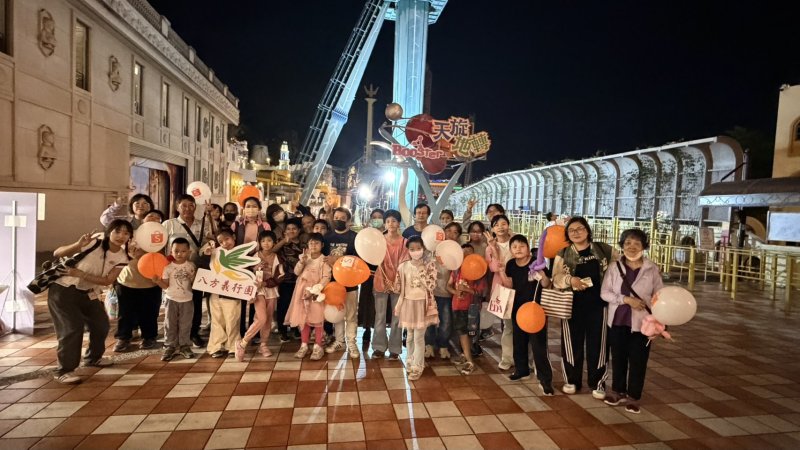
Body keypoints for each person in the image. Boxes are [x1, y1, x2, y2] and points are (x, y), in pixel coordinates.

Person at [49, 220, 132, 384]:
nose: (121, 236)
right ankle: (64, 370)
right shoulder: (93, 243)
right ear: (109, 232)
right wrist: (78, 244)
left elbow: (107, 280)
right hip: (64, 289)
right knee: (72, 328)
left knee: (101, 324)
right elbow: (57, 253)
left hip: (88, 292)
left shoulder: (122, 257)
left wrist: (81, 274)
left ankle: (93, 358)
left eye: (126, 233)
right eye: (117, 231)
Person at [552, 217, 615, 399]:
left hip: (599, 305)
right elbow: (555, 278)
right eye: (572, 230)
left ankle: (598, 383)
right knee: (571, 344)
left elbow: (620, 269)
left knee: (599, 345)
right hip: (571, 306)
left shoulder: (604, 250)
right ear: (567, 235)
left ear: (587, 230)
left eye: (580, 229)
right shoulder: (563, 253)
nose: (576, 233)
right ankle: (572, 380)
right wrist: (570, 280)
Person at [600, 228, 663, 414]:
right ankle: (617, 391)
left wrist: (659, 324)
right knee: (618, 358)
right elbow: (605, 293)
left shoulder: (651, 269)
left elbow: (660, 297)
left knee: (638, 360)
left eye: (637, 243)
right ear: (622, 245)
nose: (632, 247)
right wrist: (626, 300)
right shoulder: (614, 267)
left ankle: (634, 396)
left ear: (644, 246)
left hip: (643, 324)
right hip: (618, 321)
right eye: (628, 243)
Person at [502, 235, 554, 394]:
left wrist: (542, 276)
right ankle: (521, 370)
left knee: (538, 345)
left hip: (535, 310)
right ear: (510, 250)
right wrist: (500, 271)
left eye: (521, 246)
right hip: (517, 309)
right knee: (519, 341)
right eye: (514, 246)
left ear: (528, 247)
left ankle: (545, 380)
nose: (518, 249)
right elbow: (509, 284)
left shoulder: (537, 264)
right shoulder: (510, 264)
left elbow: (547, 285)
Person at [163, 194, 213, 348]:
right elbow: (161, 248)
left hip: (197, 270)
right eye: (183, 205)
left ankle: (193, 333)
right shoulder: (168, 225)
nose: (187, 208)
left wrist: (210, 217)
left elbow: (211, 240)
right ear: (177, 207)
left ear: (195, 207)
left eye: (191, 205)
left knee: (196, 302)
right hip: (175, 271)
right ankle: (173, 337)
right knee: (173, 304)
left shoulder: (203, 224)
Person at [114, 210, 165, 352]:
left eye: (157, 218)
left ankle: (149, 337)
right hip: (128, 279)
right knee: (125, 312)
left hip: (152, 281)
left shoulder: (162, 237)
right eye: (150, 216)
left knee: (150, 312)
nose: (153, 219)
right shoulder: (131, 234)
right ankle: (123, 338)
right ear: (143, 219)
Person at [394, 236, 438, 381]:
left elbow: (431, 286)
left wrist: (421, 270)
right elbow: (398, 287)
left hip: (423, 304)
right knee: (410, 335)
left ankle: (418, 366)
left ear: (423, 249)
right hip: (408, 303)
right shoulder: (403, 266)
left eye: (418, 249)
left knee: (419, 337)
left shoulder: (430, 265)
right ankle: (410, 360)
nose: (415, 252)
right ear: (408, 250)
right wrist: (393, 285)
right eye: (412, 249)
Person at [237, 230, 284, 360]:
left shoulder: (277, 257)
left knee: (268, 319)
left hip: (271, 290)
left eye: (269, 241)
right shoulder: (254, 256)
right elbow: (245, 272)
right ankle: (243, 342)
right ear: (259, 243)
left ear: (274, 242)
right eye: (263, 241)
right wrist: (255, 269)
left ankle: (263, 344)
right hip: (257, 291)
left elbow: (280, 276)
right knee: (261, 318)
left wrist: (266, 282)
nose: (266, 243)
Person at [286, 233, 331, 360]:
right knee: (303, 318)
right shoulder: (304, 257)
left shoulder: (324, 260)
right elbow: (296, 272)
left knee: (317, 319)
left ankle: (318, 346)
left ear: (322, 245)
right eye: (311, 243)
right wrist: (301, 262)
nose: (313, 245)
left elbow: (326, 278)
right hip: (301, 292)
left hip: (316, 294)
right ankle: (304, 345)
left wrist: (315, 290)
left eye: (316, 243)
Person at [231, 197, 271, 340]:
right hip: (240, 264)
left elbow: (268, 244)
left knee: (256, 297)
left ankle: (253, 332)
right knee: (241, 297)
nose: (251, 208)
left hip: (257, 265)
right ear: (243, 208)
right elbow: (231, 243)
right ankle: (241, 330)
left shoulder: (265, 226)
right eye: (248, 206)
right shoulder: (237, 225)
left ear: (259, 208)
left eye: (254, 206)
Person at [324, 207, 361, 358]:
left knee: (351, 315)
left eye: (342, 218)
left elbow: (358, 261)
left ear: (348, 220)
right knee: (337, 314)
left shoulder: (354, 237)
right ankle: (340, 341)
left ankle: (351, 342)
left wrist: (338, 260)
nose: (339, 220)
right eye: (336, 217)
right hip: (333, 283)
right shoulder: (327, 237)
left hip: (351, 282)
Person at [371, 209, 407, 360]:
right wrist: (385, 280)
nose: (391, 224)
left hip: (399, 284)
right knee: (380, 316)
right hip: (381, 281)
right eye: (388, 221)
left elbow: (404, 263)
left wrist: (396, 281)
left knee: (397, 317)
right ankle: (379, 347)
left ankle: (395, 349)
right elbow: (376, 260)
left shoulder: (405, 242)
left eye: (394, 221)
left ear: (399, 223)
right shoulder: (379, 240)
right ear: (384, 223)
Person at [154, 238, 197, 361]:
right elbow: (165, 285)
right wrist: (158, 282)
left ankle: (184, 346)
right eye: (176, 251)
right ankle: (170, 345)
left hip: (187, 299)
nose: (179, 254)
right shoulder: (167, 268)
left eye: (183, 251)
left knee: (186, 324)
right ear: (171, 251)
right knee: (170, 323)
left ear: (189, 252)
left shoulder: (191, 266)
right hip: (171, 299)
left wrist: (192, 277)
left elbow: (195, 284)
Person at [202, 229, 243, 359]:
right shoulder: (214, 253)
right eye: (221, 241)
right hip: (215, 292)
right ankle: (216, 346)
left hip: (233, 292)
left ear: (234, 237)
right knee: (216, 319)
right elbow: (203, 268)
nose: (225, 243)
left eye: (227, 239)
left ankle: (233, 346)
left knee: (232, 320)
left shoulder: (241, 253)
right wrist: (206, 255)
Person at [447, 243, 486, 375]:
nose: (466, 255)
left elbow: (481, 293)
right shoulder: (456, 269)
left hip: (472, 308)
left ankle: (470, 361)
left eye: (469, 252)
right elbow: (449, 286)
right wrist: (455, 292)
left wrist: (467, 289)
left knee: (469, 333)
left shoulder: (479, 272)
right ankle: (465, 356)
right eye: (463, 253)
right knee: (462, 332)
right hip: (457, 306)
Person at [425, 223, 460, 359]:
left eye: (455, 232)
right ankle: (429, 344)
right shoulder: (431, 248)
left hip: (447, 293)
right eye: (449, 231)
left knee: (446, 320)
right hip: (430, 292)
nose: (452, 234)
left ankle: (443, 345)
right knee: (429, 320)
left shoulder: (458, 251)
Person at [484, 214, 515, 370]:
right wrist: (495, 249)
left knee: (522, 324)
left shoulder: (517, 242)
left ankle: (525, 357)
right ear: (493, 229)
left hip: (519, 285)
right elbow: (493, 267)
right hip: (502, 288)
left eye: (504, 223)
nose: (501, 227)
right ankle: (507, 358)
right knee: (508, 325)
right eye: (497, 225)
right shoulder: (489, 247)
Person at [358, 209, 385, 346]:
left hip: (384, 274)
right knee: (367, 302)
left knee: (381, 304)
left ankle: (380, 331)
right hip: (367, 274)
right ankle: (367, 329)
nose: (377, 219)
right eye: (374, 217)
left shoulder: (388, 235)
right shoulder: (366, 235)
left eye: (380, 217)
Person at [277, 218, 305, 342]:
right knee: (283, 305)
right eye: (288, 229)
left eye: (294, 228)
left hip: (299, 280)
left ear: (299, 230)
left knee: (297, 305)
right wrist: (284, 241)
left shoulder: (303, 244)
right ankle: (282, 330)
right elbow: (271, 251)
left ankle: (294, 328)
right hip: (285, 280)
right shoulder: (282, 243)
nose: (291, 231)